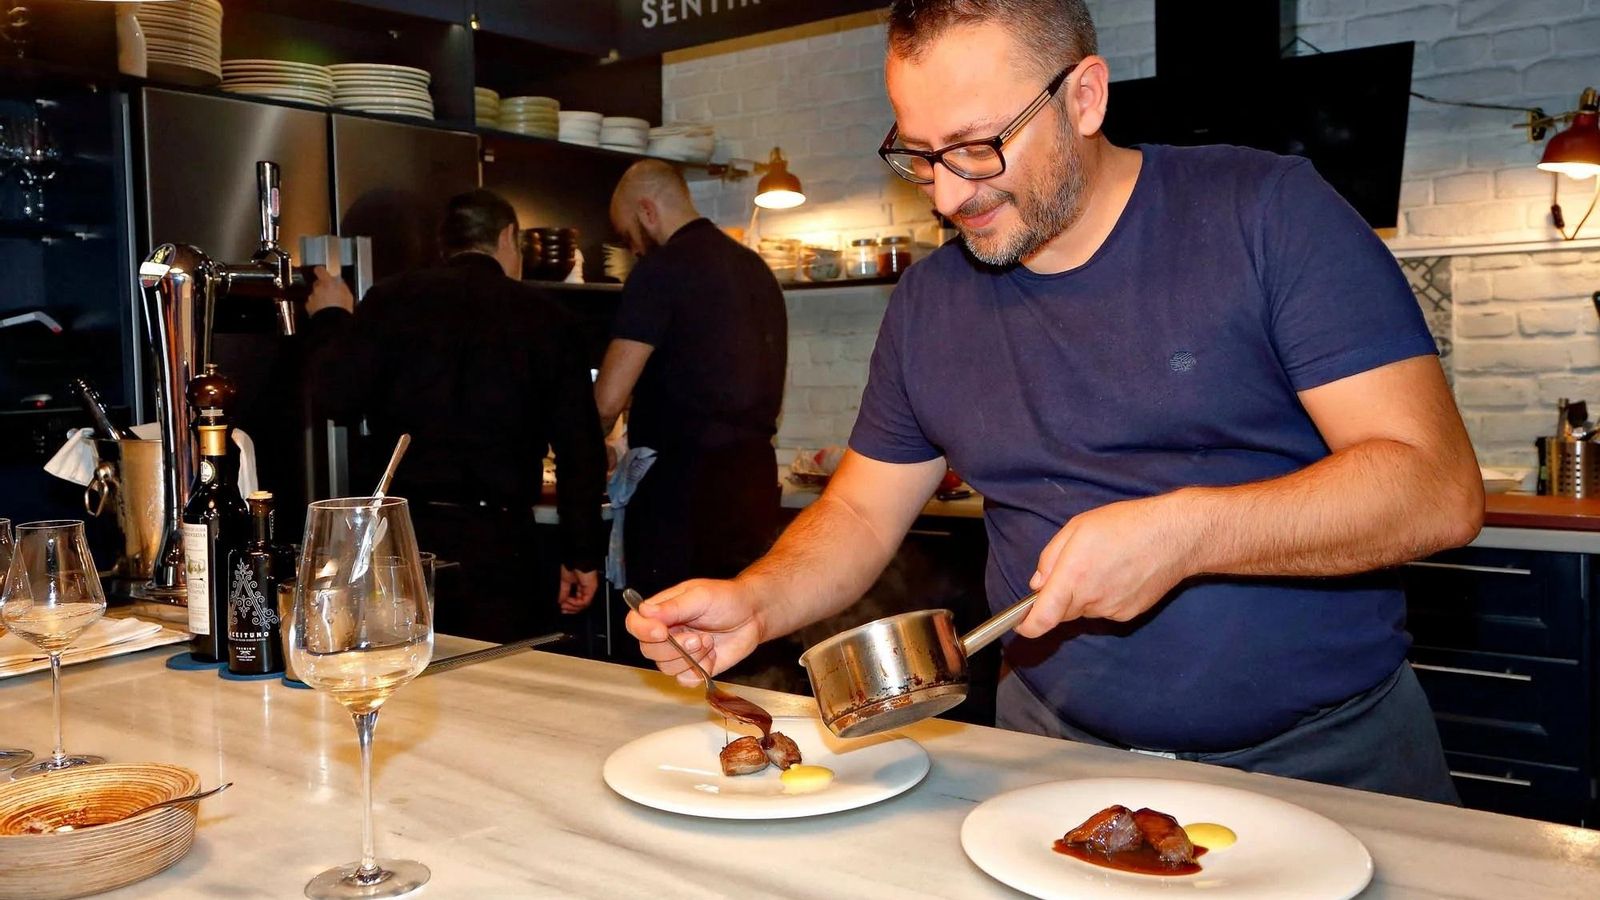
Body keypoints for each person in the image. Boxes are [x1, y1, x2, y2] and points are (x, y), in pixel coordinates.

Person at [626, 0, 1485, 803]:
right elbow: (856, 514)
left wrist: (1184, 533)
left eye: (976, 145)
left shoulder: (1267, 215)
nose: (951, 193)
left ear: (1084, 96)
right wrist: (759, 600)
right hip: (1049, 757)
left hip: (1326, 762)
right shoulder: (930, 303)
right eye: (918, 154)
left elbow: (1436, 490)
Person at [305, 189, 607, 642]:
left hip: (403, 538)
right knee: (500, 678)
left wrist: (331, 318)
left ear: (445, 245)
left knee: (407, 669)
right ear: (508, 237)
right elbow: (579, 448)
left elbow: (335, 396)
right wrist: (581, 554)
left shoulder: (389, 301)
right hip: (502, 540)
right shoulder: (547, 318)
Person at [595, 160, 788, 618]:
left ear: (646, 211)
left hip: (682, 495)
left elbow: (606, 400)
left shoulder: (659, 271)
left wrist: (589, 444)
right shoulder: (754, 267)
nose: (633, 250)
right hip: (754, 483)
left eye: (628, 237)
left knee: (674, 641)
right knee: (744, 631)